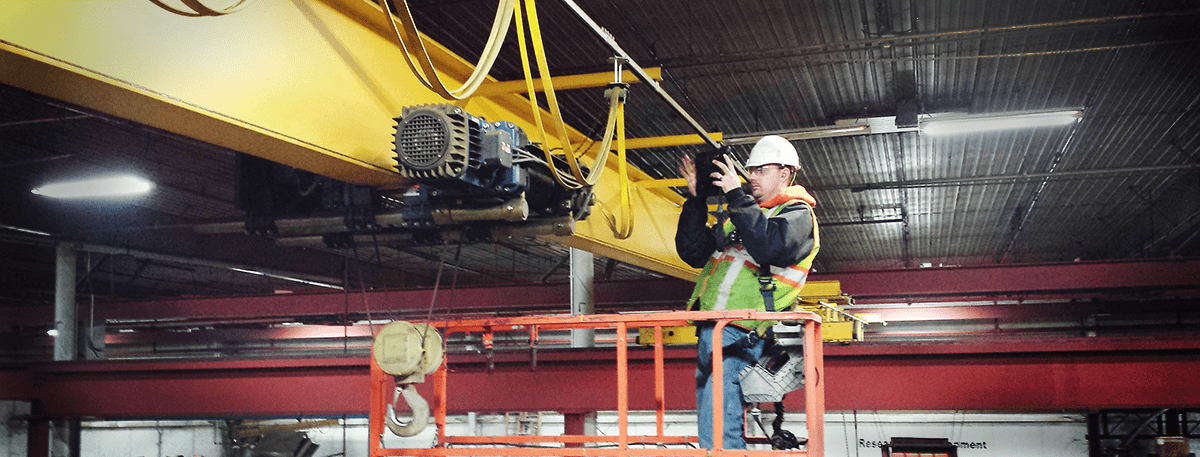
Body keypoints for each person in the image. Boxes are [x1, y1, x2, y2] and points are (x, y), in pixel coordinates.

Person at [675, 135, 819, 449]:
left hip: (743, 333)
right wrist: (697, 199)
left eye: (760, 170)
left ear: (784, 173)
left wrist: (736, 196)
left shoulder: (797, 215)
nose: (751, 176)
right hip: (711, 330)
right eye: (750, 170)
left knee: (720, 430)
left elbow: (769, 246)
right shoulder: (740, 216)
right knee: (710, 427)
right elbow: (693, 252)